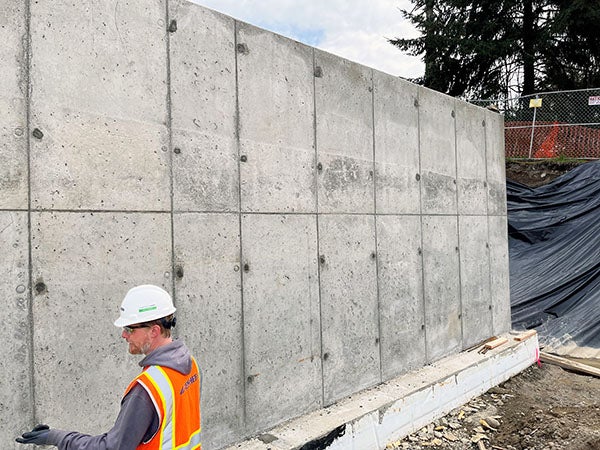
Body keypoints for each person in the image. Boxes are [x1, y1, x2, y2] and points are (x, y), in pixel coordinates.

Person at [16, 284, 202, 449]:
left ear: (153, 331)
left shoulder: (147, 390)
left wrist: (56, 437)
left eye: (130, 328)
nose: (124, 335)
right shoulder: (189, 364)